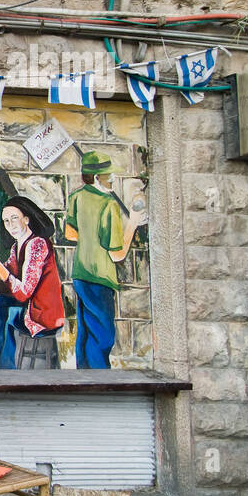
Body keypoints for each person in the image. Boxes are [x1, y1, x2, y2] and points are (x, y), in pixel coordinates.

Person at [63, 152, 148, 368]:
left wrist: (90, 238)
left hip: (81, 273)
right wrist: (133, 223)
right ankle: (99, 380)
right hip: (101, 276)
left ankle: (84, 379)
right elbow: (117, 254)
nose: (111, 178)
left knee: (85, 334)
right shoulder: (109, 204)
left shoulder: (76, 197)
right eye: (107, 174)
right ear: (96, 177)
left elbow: (71, 234)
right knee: (103, 337)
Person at [0, 196, 65, 368]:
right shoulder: (17, 246)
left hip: (43, 313)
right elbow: (9, 273)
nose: (10, 225)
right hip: (30, 306)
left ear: (27, 219)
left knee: (8, 313)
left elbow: (23, 293)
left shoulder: (37, 245)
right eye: (6, 221)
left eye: (14, 218)